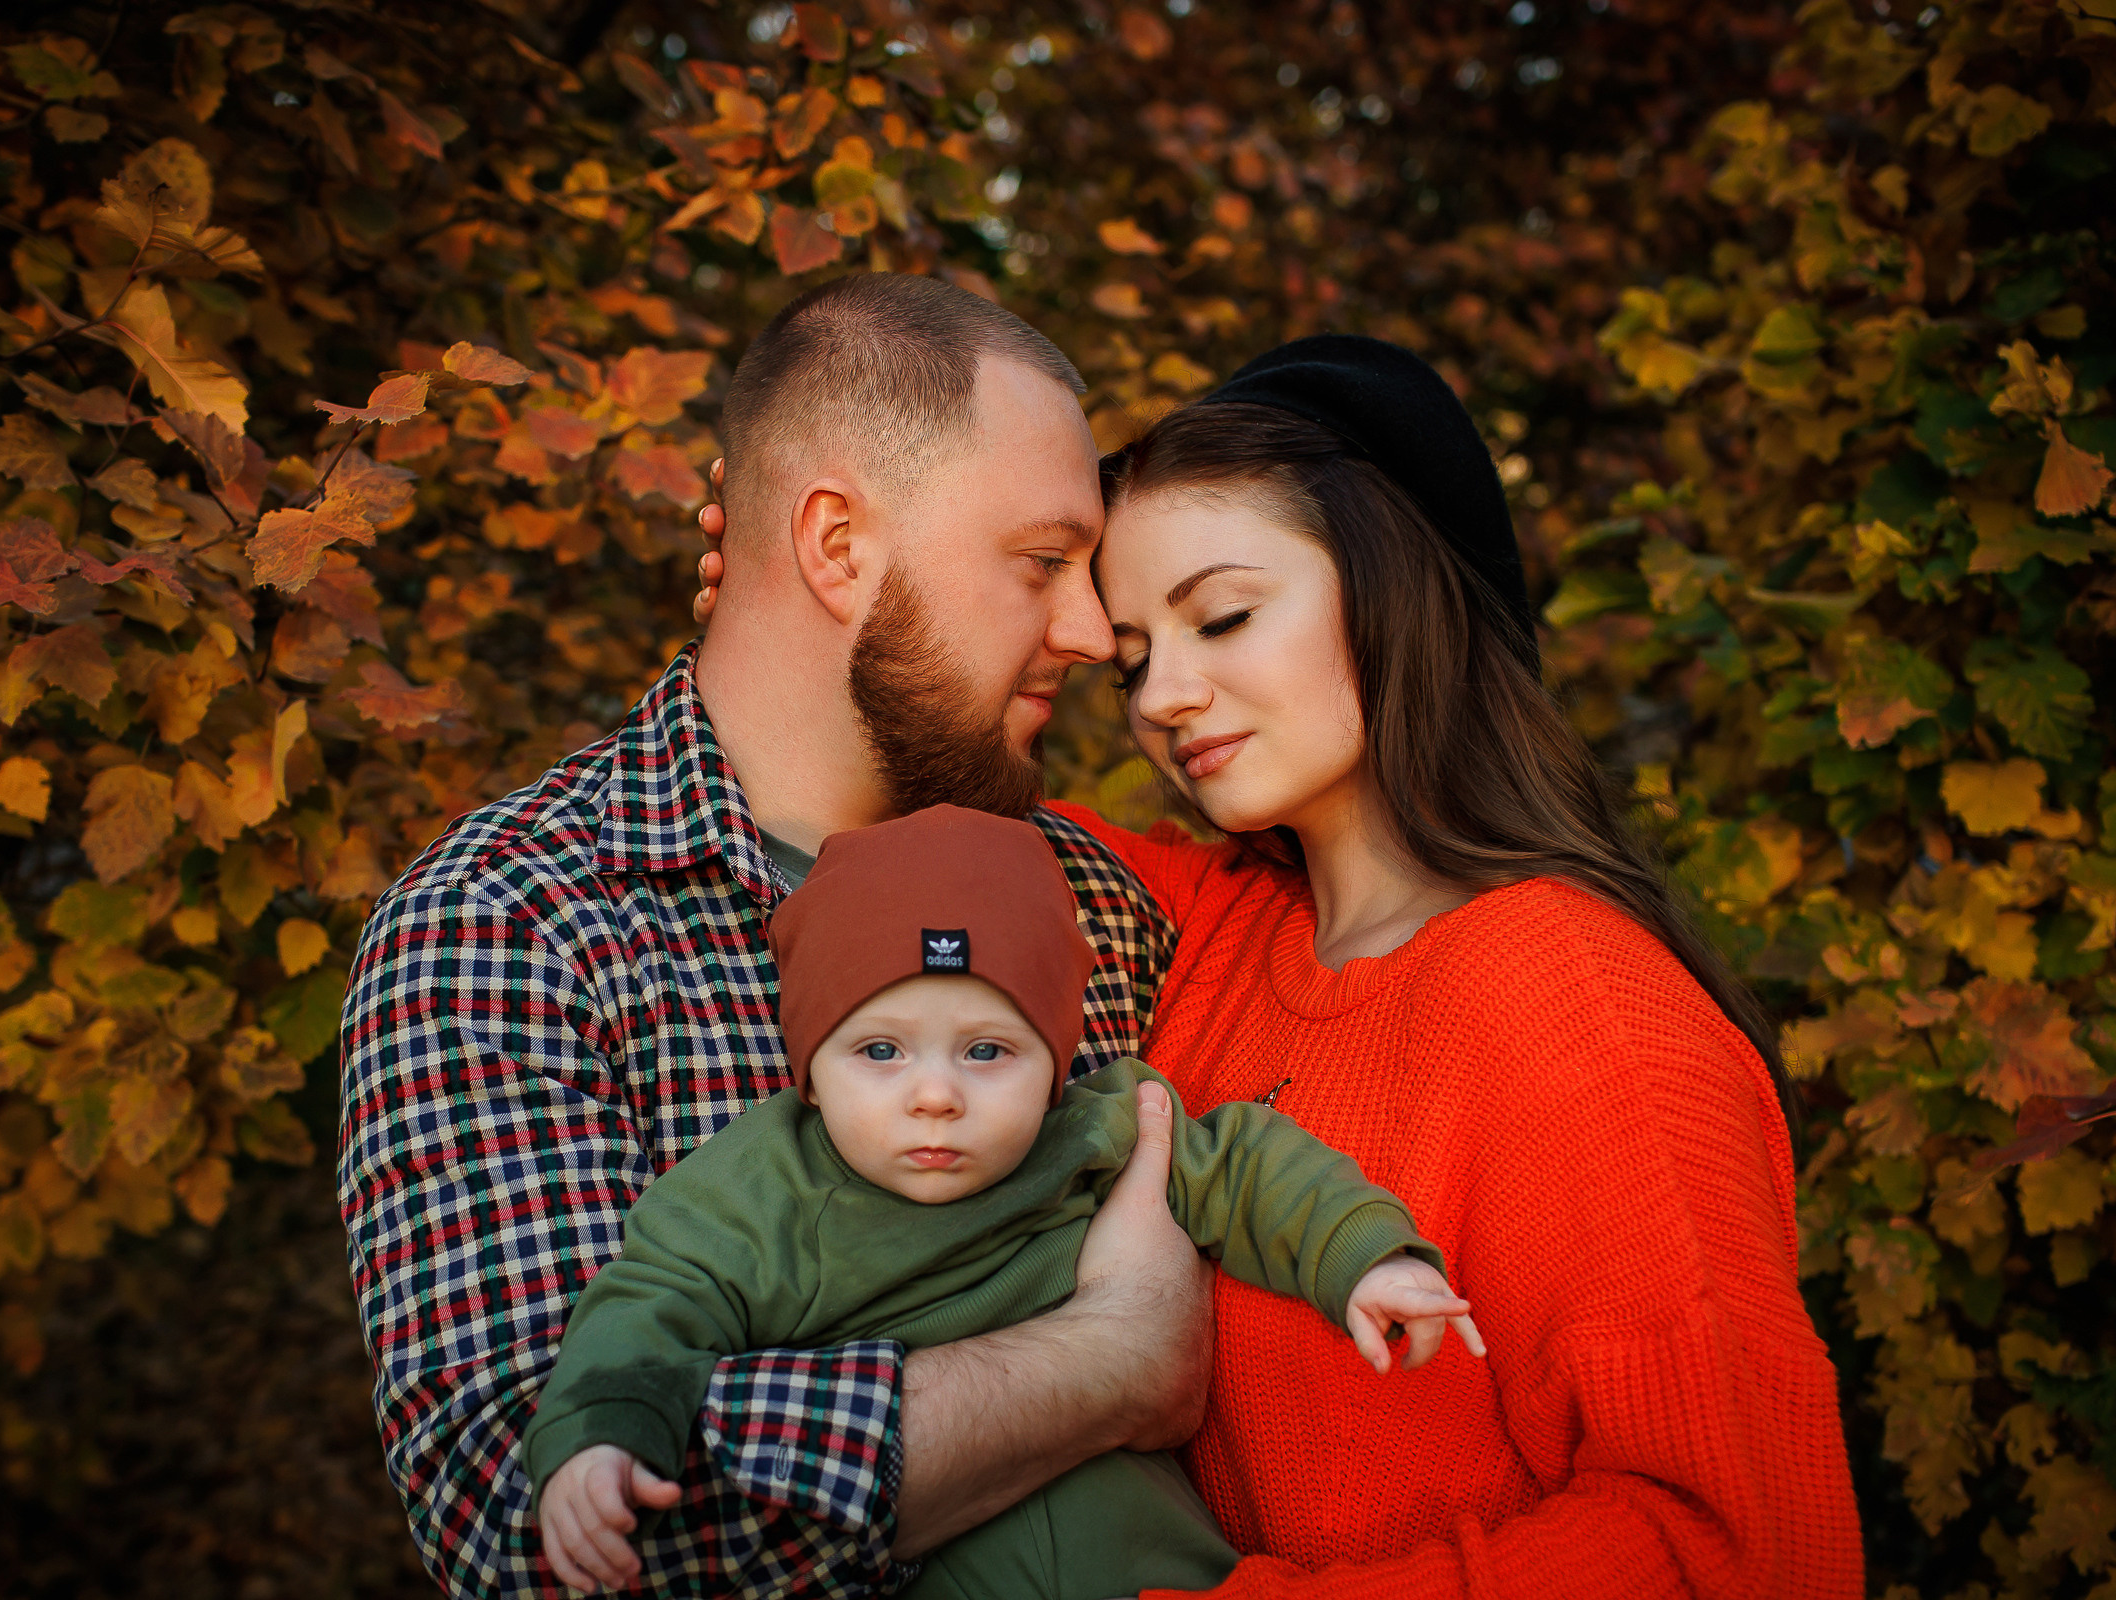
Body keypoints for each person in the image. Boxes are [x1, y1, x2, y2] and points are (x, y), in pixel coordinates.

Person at [689, 334, 1863, 1595]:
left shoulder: (1581, 1002)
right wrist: (813, 595)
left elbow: (1745, 1550)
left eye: (1226, 615)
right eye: (1135, 657)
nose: (1164, 698)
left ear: (1393, 582)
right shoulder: (1204, 927)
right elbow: (889, 762)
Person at [338, 273, 1220, 1599]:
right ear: (836, 547)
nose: (1096, 634)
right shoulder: (516, 920)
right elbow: (539, 1525)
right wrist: (1107, 1364)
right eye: (1042, 563)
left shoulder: (1096, 899)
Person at [525, 806, 1482, 1598]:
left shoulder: (1094, 1129)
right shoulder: (759, 1192)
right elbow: (647, 1311)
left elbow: (1248, 1162)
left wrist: (1366, 1256)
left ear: (1056, 1063)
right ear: (809, 1069)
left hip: (1160, 1570)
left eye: (988, 1051)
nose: (935, 1093)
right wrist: (603, 1436)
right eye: (881, 1051)